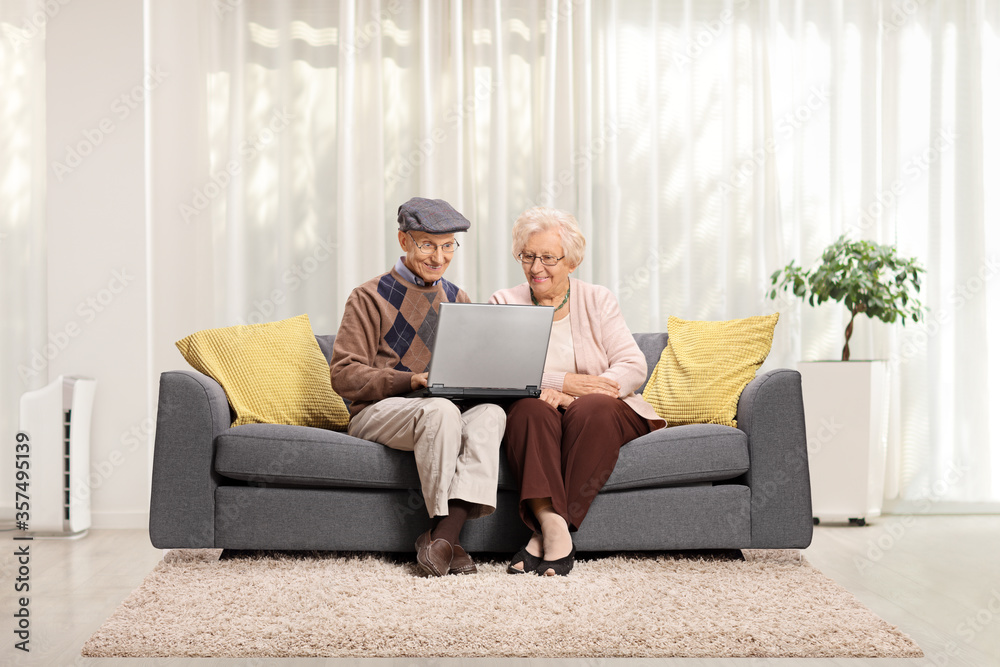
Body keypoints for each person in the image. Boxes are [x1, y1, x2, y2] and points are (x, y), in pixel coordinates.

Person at [330, 197, 506, 577]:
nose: (438, 257)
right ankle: (447, 535)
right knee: (439, 409)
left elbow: (471, 369)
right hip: (379, 412)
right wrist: (409, 380)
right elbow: (343, 374)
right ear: (403, 240)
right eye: (426, 244)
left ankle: (442, 538)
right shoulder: (368, 296)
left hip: (440, 407)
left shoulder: (458, 299)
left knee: (491, 414)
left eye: (447, 246)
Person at [490, 206, 666, 576]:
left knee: (594, 409)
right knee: (528, 410)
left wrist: (575, 398)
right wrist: (560, 384)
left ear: (571, 261)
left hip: (597, 411)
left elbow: (633, 365)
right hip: (540, 409)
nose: (536, 267)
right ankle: (556, 530)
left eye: (548, 258)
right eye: (528, 256)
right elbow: (499, 374)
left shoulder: (597, 299)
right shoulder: (504, 303)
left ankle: (543, 533)